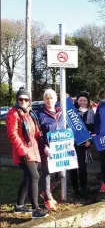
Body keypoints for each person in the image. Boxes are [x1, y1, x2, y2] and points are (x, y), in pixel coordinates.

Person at [6, 87, 48, 219]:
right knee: (34, 177)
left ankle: (19, 205)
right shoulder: (13, 114)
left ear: (29, 101)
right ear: (17, 100)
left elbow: (35, 132)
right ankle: (36, 210)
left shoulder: (29, 113)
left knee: (28, 177)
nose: (23, 101)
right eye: (20, 99)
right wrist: (23, 151)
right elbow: (12, 135)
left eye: (26, 99)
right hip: (23, 151)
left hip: (32, 150)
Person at [38, 89, 66, 211]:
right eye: (47, 98)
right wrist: (44, 147)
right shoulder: (41, 115)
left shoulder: (61, 114)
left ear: (56, 99)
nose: (49, 100)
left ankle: (45, 191)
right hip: (47, 149)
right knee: (47, 173)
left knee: (62, 174)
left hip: (60, 150)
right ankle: (48, 199)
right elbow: (39, 134)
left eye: (51, 98)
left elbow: (66, 131)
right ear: (44, 100)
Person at [69, 91, 94, 198]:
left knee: (83, 168)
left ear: (88, 101)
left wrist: (90, 140)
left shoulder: (91, 113)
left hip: (84, 145)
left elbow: (93, 129)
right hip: (71, 143)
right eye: (81, 100)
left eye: (85, 100)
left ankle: (83, 188)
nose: (83, 102)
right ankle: (75, 189)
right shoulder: (72, 112)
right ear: (77, 101)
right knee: (72, 168)